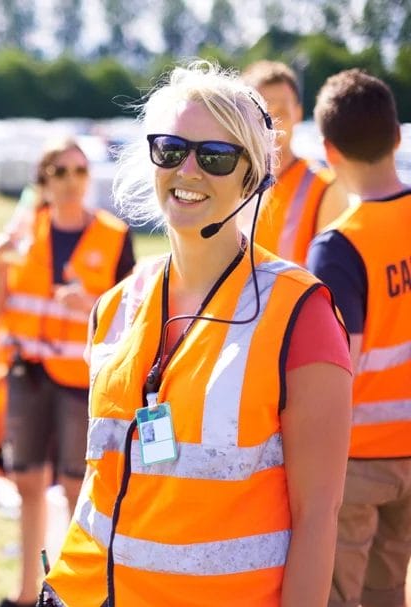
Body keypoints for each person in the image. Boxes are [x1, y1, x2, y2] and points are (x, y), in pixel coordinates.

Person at [41, 61, 352, 607]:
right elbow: (100, 482)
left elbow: (318, 517)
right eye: (171, 149)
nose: (188, 170)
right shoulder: (115, 306)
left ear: (251, 176)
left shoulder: (300, 315)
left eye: (214, 157)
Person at [0, 137, 135, 607]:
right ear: (44, 181)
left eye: (80, 171)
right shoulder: (25, 230)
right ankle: (25, 593)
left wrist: (90, 304)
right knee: (27, 481)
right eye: (61, 172)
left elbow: (132, 315)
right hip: (27, 372)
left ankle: (76, 594)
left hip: (79, 379)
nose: (72, 182)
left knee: (77, 488)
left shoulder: (113, 234)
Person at [306, 70, 411, 607]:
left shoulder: (339, 247)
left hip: (358, 460)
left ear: (327, 150)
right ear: (398, 136)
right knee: (388, 591)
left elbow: (334, 367)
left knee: (339, 595)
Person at [242, 60, 348, 265]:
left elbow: (336, 280)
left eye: (281, 112)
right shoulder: (231, 185)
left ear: (297, 113)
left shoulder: (325, 187)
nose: (271, 125)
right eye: (261, 113)